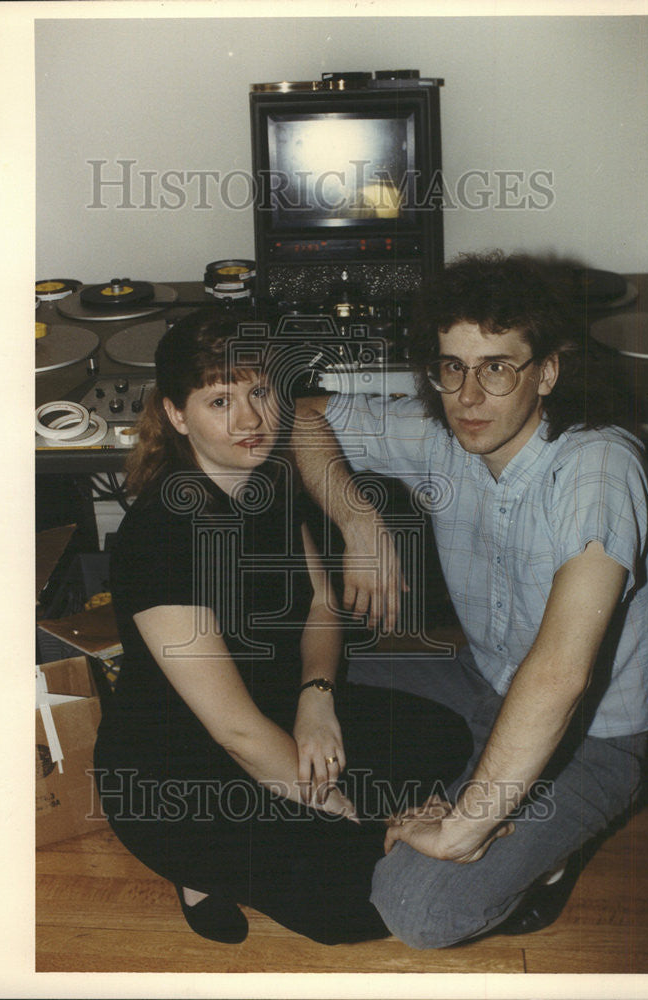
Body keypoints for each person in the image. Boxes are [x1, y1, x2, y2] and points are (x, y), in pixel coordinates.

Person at [291, 251, 648, 948]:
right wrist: (355, 519)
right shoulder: (446, 432)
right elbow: (304, 417)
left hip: (592, 738)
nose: (469, 397)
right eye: (451, 367)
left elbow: (560, 674)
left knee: (416, 908)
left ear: (547, 372)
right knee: (287, 684)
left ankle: (550, 854)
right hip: (480, 678)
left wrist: (462, 830)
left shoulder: (597, 466)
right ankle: (459, 784)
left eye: (497, 367)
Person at [92, 306, 473, 946]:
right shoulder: (162, 536)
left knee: (441, 737)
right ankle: (195, 863)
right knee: (354, 909)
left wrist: (316, 698)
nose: (250, 419)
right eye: (219, 401)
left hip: (271, 714)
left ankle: (295, 838)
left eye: (260, 392)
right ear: (177, 415)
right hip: (177, 767)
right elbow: (233, 729)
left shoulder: (270, 477)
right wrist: (337, 806)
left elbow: (321, 606)